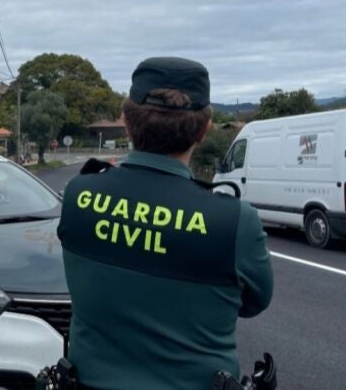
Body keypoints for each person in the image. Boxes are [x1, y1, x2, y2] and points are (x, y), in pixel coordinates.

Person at [57, 57, 273, 390]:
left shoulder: (79, 194)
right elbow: (253, 302)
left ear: (127, 123)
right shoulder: (234, 221)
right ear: (203, 130)